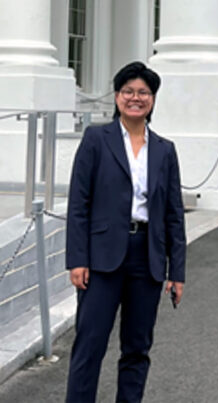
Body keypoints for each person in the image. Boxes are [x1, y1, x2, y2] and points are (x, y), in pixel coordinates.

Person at [65, 61, 187, 403]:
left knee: (137, 349)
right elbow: (79, 203)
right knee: (89, 346)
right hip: (102, 258)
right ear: (117, 97)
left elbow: (174, 215)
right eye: (128, 91)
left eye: (143, 93)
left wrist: (176, 272)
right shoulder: (95, 140)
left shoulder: (165, 150)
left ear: (152, 99)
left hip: (146, 258)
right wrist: (78, 259)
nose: (136, 98)